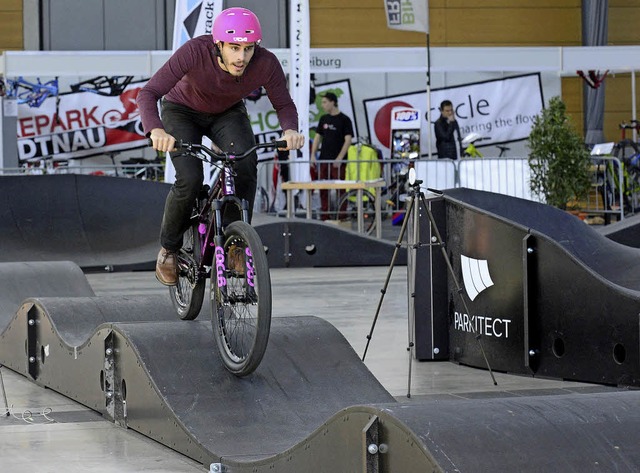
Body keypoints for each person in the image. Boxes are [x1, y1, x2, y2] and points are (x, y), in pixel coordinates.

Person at [137, 7, 305, 286]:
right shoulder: (194, 52)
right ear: (218, 45)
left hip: (227, 112)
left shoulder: (265, 63)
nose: (242, 57)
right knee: (190, 180)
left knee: (246, 164)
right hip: (181, 111)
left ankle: (235, 241)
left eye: (249, 49)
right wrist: (155, 130)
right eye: (235, 48)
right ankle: (169, 249)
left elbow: (284, 104)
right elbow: (149, 93)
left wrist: (290, 130)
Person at [310, 92, 354, 219]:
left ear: (332, 102)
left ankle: (342, 215)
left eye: (324, 102)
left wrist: (340, 158)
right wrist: (313, 155)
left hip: (338, 162)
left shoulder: (344, 120)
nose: (323, 105)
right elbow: (317, 138)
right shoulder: (324, 119)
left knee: (341, 189)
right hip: (324, 160)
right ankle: (325, 215)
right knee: (323, 189)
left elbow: (348, 140)